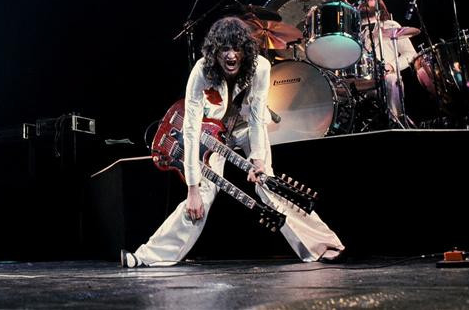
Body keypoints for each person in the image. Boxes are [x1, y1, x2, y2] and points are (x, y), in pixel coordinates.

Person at [121, 17, 344, 267]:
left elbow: (258, 117)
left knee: (267, 184)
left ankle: (323, 244)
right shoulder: (201, 71)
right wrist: (192, 188)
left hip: (245, 128)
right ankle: (146, 257)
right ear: (214, 51)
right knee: (201, 196)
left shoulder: (260, 67)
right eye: (224, 49)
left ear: (245, 50)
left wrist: (257, 159)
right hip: (210, 134)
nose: (231, 55)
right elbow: (192, 129)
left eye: (236, 48)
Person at [357, 0, 418, 121]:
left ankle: (395, 122)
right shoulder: (354, 32)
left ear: (379, 2)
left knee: (392, 80)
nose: (365, 1)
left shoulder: (390, 25)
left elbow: (411, 53)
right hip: (359, 82)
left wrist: (391, 66)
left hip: (383, 79)